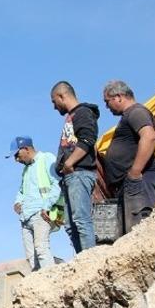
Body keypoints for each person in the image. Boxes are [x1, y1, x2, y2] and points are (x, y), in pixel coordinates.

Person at [101, 81, 155, 235]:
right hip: (130, 184)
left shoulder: (136, 112)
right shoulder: (129, 115)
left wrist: (135, 172)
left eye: (107, 101)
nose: (107, 107)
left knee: (137, 231)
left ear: (119, 97)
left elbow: (149, 137)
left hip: (139, 182)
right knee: (129, 234)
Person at [50, 81, 99, 253]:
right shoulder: (71, 117)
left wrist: (70, 163)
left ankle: (90, 263)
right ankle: (81, 262)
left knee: (81, 220)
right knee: (71, 226)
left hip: (80, 173)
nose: (54, 107)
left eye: (54, 101)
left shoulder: (83, 112)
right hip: (70, 177)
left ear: (61, 96)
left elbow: (87, 139)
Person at [8, 136, 58, 271]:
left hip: (40, 213)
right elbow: (21, 191)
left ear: (25, 149)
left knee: (42, 249)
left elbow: (57, 183)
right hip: (25, 217)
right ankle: (38, 287)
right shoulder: (26, 170)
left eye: (17, 155)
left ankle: (51, 281)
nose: (16, 159)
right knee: (31, 257)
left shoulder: (46, 159)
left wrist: (47, 206)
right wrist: (17, 202)